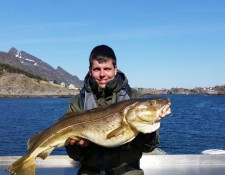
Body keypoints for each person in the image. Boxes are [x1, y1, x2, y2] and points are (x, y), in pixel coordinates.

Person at [65, 45, 160, 175]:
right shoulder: (78, 102)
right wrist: (77, 146)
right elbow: (74, 156)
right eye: (97, 69)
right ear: (90, 71)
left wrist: (148, 132)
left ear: (115, 69)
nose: (102, 74)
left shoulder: (135, 98)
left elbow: (149, 147)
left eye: (107, 69)